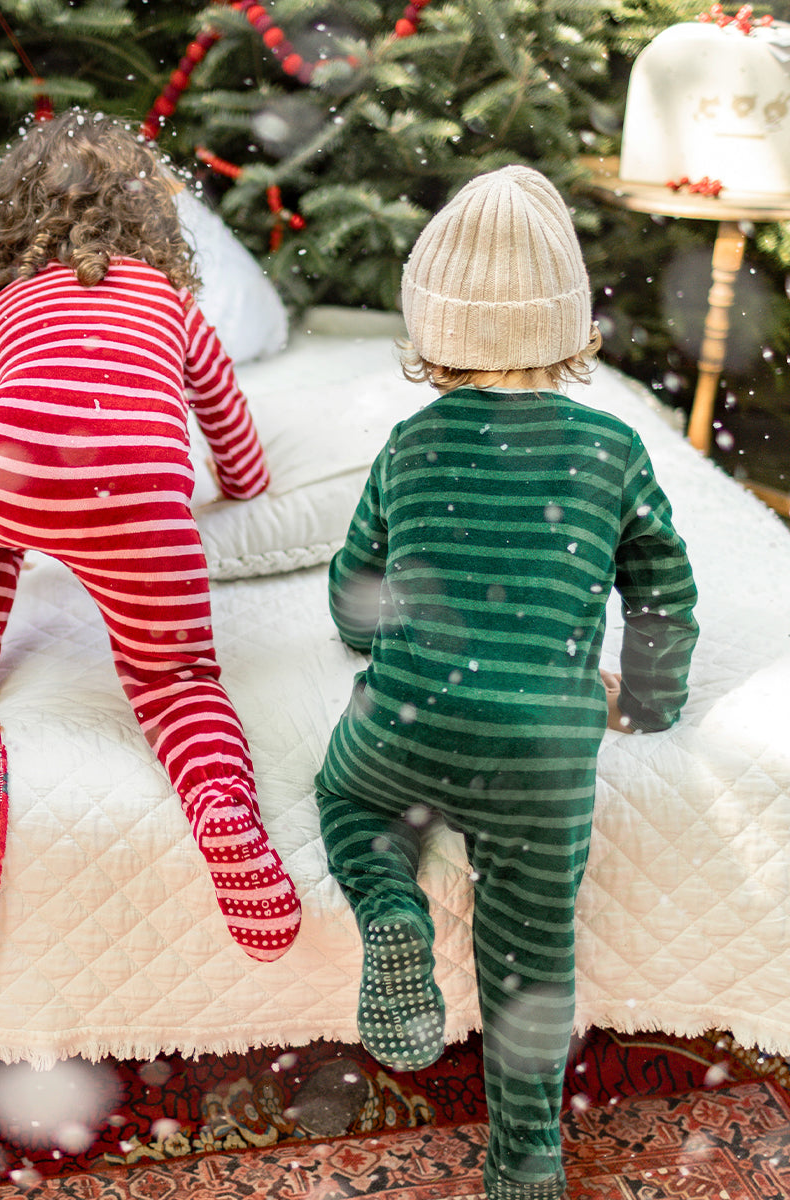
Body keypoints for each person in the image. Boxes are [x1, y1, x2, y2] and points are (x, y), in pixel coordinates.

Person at [314, 165, 698, 1199]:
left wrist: (371, 631)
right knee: (531, 954)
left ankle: (391, 911)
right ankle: (526, 1162)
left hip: (407, 725)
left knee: (350, 802)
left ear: (431, 330)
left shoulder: (410, 445)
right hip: (541, 750)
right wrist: (646, 702)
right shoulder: (614, 450)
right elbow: (664, 591)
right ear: (571, 327)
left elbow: (355, 600)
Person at [0, 109, 301, 963]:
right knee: (177, 679)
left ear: (10, 219)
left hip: (8, 476)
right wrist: (245, 484)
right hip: (139, 501)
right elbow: (226, 420)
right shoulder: (170, 302)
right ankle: (221, 806)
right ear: (147, 216)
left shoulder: (4, 307)